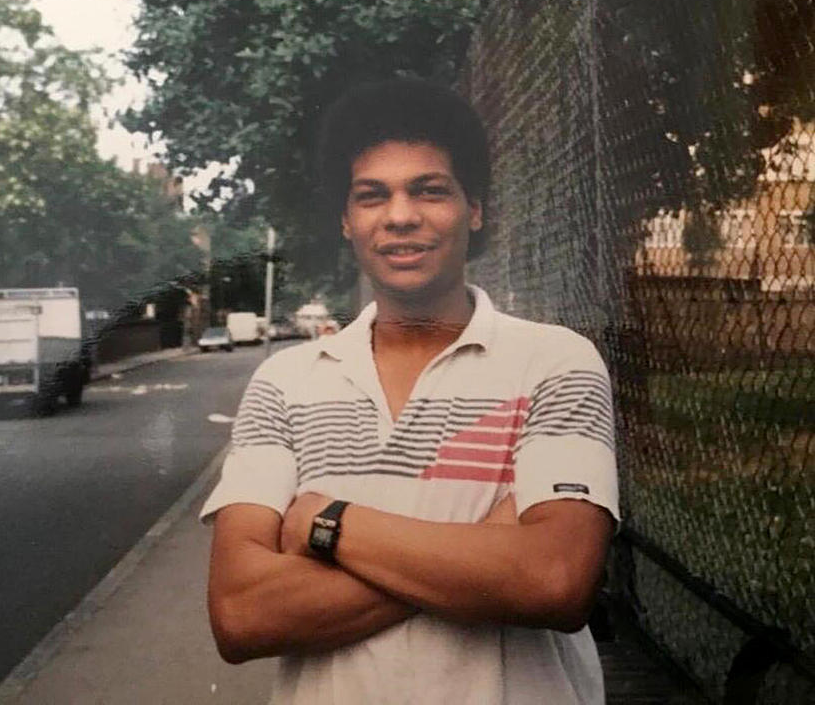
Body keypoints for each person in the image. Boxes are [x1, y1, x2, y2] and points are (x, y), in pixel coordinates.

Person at [200, 79, 618, 704]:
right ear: (347, 220)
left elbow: (554, 581)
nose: (400, 215)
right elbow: (240, 615)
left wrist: (326, 523)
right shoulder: (284, 384)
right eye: (372, 196)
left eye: (429, 190)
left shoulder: (554, 363)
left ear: (473, 209)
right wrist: (487, 555)